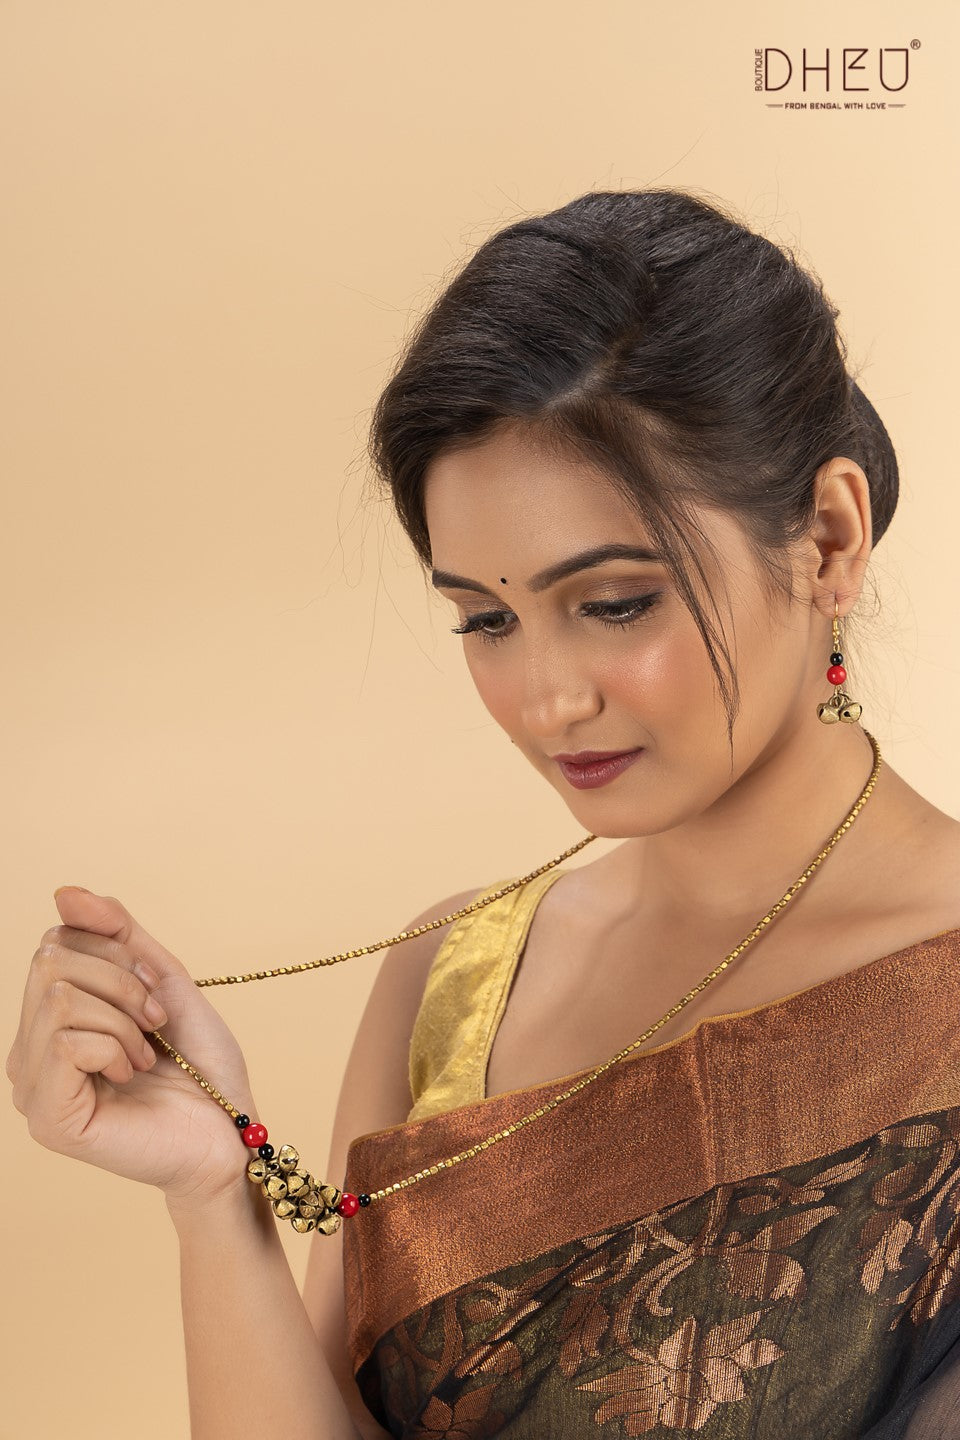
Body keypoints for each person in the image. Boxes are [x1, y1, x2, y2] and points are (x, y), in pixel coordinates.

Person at [7, 186, 960, 1439]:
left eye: (614, 603)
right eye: (487, 620)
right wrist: (208, 1197)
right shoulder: (455, 977)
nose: (547, 698)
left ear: (829, 539)